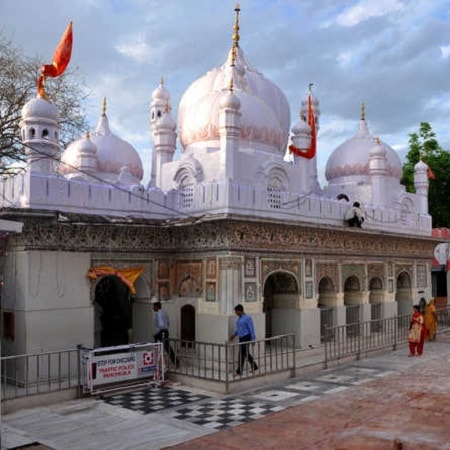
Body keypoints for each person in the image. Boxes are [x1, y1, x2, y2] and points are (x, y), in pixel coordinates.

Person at [229, 304, 258, 376]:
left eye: (236, 312)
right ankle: (254, 366)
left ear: (240, 311)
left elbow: (251, 328)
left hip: (246, 337)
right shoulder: (239, 318)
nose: (236, 313)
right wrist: (234, 335)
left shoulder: (247, 318)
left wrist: (253, 339)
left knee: (241, 354)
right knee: (245, 353)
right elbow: (239, 329)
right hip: (241, 337)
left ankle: (239, 371)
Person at [152, 300, 178, 367]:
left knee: (159, 348)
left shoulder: (159, 314)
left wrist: (157, 333)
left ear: (157, 307)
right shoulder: (164, 313)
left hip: (161, 332)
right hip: (165, 331)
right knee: (167, 348)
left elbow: (161, 325)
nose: (153, 308)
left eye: (154, 307)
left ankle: (158, 363)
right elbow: (168, 323)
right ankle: (175, 362)